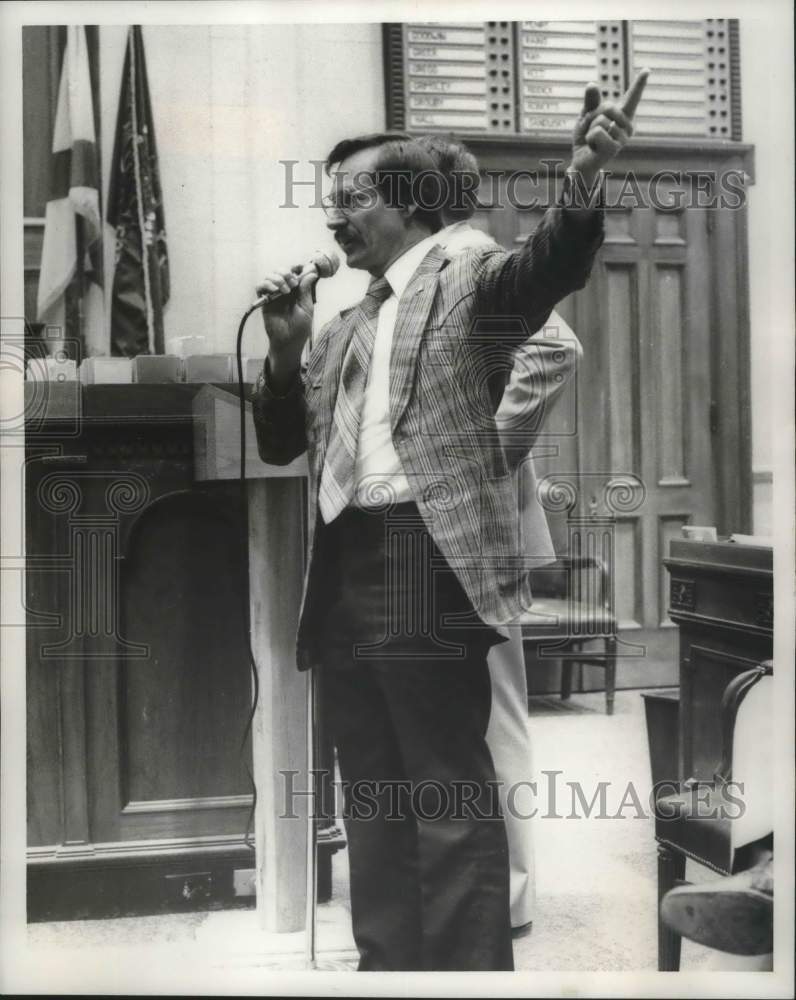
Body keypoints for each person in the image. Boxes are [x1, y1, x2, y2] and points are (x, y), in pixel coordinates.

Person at [252, 75, 648, 971]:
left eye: (351, 200)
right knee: (375, 796)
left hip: (426, 559)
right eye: (330, 202)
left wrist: (584, 176)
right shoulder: (342, 323)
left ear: (413, 205)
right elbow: (282, 445)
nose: (332, 221)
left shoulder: (466, 273)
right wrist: (283, 352)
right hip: (346, 564)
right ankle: (390, 967)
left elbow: (548, 266)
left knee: (445, 791)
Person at [417, 133, 584, 934]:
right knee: (445, 710)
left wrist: (487, 452)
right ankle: (457, 878)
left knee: (494, 709)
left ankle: (510, 893)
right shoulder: (413, 275)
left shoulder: (471, 257)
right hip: (419, 527)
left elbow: (556, 344)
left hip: (479, 523)